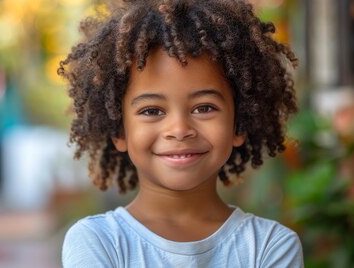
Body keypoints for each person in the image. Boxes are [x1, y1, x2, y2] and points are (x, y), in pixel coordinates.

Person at [57, 0, 303, 267]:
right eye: (152, 111)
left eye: (204, 108)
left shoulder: (269, 245)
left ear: (238, 123)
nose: (179, 130)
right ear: (119, 130)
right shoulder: (97, 241)